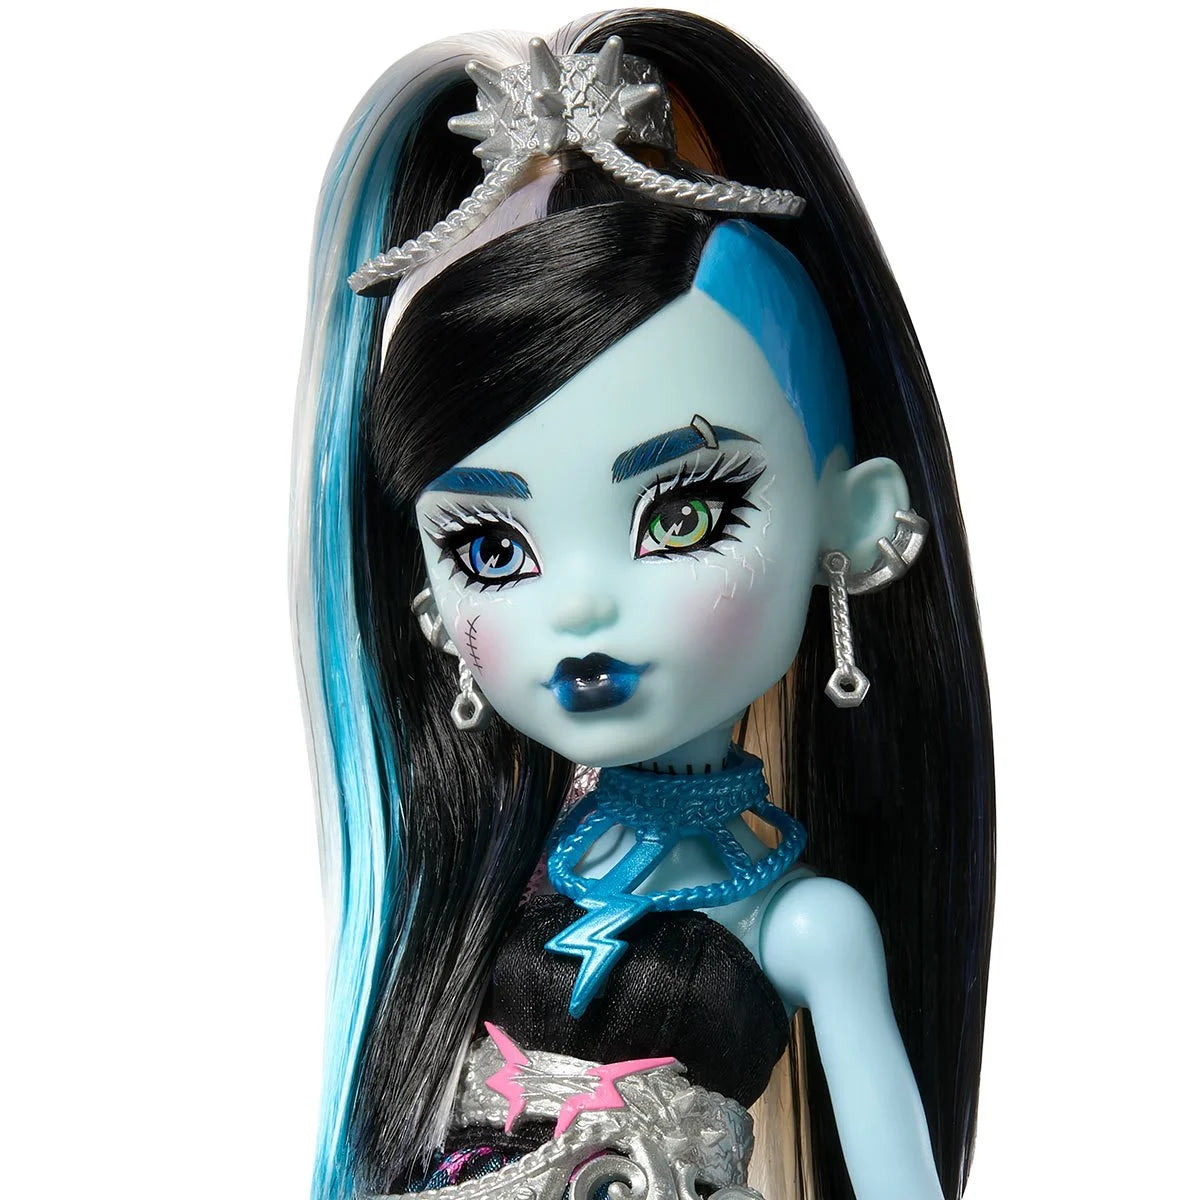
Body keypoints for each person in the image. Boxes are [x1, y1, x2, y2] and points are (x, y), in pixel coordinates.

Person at [291, 10, 995, 1200]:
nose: (580, 609)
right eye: (492, 548)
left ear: (853, 522)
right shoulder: (481, 878)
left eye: (680, 517)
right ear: (431, 608)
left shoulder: (804, 925)